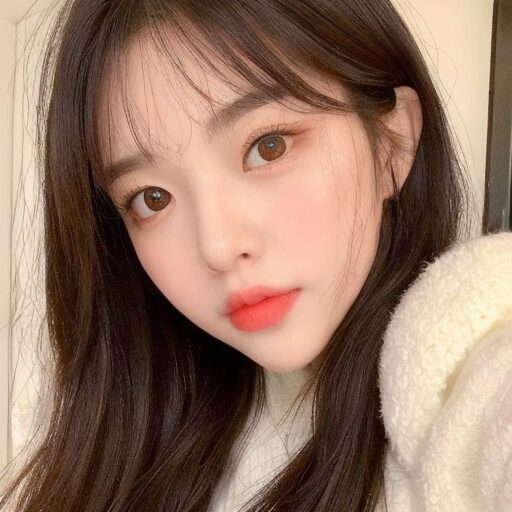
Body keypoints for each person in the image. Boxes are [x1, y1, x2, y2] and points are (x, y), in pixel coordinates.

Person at [0, 0, 510, 510]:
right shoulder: (151, 434)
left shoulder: (465, 362)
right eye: (151, 199)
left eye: (268, 147)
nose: (218, 247)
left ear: (392, 142)